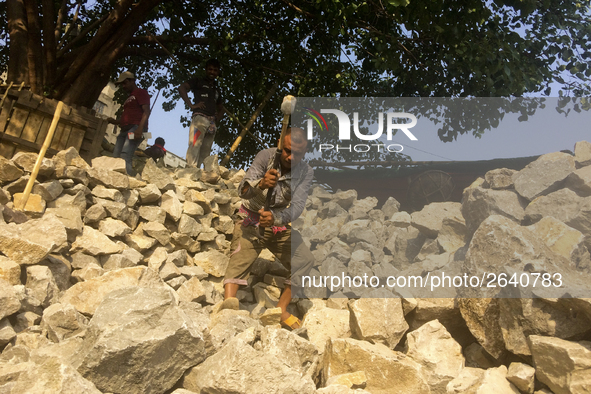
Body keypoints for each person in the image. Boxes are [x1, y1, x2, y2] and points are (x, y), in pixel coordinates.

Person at [221, 127, 314, 330]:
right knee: (238, 262)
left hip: (276, 224)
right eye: (288, 150)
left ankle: (281, 309)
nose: (291, 157)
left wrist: (275, 218)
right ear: (281, 144)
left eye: (297, 154)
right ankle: (228, 308)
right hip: (250, 221)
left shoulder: (306, 173)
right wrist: (261, 183)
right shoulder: (266, 157)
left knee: (305, 260)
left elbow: (297, 208)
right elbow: (242, 191)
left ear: (305, 152)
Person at [178, 59, 224, 168]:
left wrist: (217, 118)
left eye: (215, 70)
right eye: (210, 69)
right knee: (194, 145)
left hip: (211, 123)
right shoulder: (198, 81)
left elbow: (221, 108)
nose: (212, 72)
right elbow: (181, 88)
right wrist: (191, 105)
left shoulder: (217, 89)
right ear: (206, 70)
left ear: (218, 72)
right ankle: (190, 172)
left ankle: (198, 174)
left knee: (206, 151)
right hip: (199, 120)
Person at [108, 71, 151, 176]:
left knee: (125, 153)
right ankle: (113, 177)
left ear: (132, 81)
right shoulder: (129, 97)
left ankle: (125, 179)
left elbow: (146, 111)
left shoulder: (141, 92)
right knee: (116, 155)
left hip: (134, 129)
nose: (123, 86)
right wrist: (115, 121)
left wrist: (139, 129)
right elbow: (127, 117)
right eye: (121, 84)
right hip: (124, 130)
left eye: (125, 83)